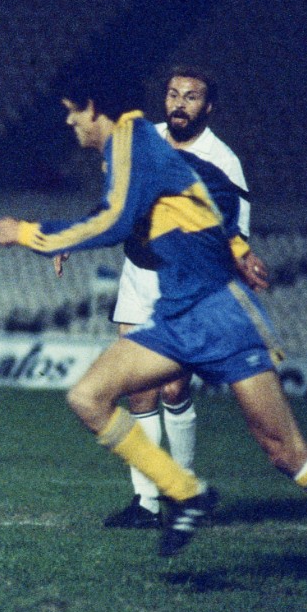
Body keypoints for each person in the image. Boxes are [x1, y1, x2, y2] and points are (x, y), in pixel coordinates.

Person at [0, 63, 307, 556]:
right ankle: (183, 493)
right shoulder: (137, 139)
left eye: (72, 112)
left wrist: (31, 233)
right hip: (176, 314)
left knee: (282, 449)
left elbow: (117, 220)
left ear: (93, 107)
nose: (69, 123)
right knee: (88, 397)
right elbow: (174, 201)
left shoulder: (132, 142)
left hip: (220, 315)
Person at [102, 66, 270, 529]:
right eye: (173, 94)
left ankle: (185, 489)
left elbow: (235, 231)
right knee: (138, 389)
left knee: (174, 388)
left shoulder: (223, 160)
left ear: (208, 107)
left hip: (185, 281)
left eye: (191, 96)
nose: (179, 103)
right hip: (138, 273)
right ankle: (146, 502)